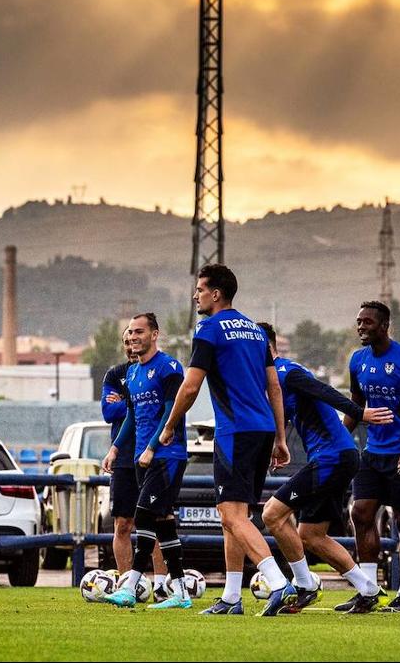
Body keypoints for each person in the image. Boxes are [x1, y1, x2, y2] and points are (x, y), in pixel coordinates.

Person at [157, 264, 297, 617]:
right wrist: (281, 438)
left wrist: (170, 425)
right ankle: (232, 597)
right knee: (234, 517)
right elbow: (274, 387)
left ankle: (279, 583)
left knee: (231, 514)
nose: (195, 296)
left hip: (235, 431)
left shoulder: (209, 329)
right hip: (264, 429)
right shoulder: (253, 330)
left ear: (215, 294)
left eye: (200, 289)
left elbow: (190, 386)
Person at [255, 323, 391, 614]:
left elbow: (325, 391)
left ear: (264, 346)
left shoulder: (288, 372)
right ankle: (368, 590)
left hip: (333, 457)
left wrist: (360, 413)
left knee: (272, 513)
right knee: (311, 535)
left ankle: (304, 585)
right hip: (334, 457)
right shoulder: (270, 380)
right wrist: (277, 447)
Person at [341, 300, 400, 614]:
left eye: (367, 322)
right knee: (361, 514)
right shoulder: (357, 361)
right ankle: (368, 591)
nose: (361, 327)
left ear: (384, 326)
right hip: (373, 453)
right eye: (359, 322)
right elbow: (356, 405)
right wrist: (340, 438)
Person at [101, 313, 192, 610]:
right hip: (141, 458)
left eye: (139, 331)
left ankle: (130, 586)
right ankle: (180, 593)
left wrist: (153, 446)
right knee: (164, 523)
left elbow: (171, 412)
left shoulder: (168, 367)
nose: (132, 337)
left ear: (155, 334)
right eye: (129, 332)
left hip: (168, 455)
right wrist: (115, 449)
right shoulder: (133, 374)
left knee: (143, 517)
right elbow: (130, 414)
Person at [102, 333, 169, 596]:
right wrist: (136, 404)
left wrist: (131, 402)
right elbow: (108, 413)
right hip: (124, 460)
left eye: (135, 341)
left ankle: (162, 583)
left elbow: (160, 409)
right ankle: (127, 582)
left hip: (149, 456)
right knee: (123, 524)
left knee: (152, 521)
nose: (131, 347)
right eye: (127, 343)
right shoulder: (115, 374)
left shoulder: (160, 369)